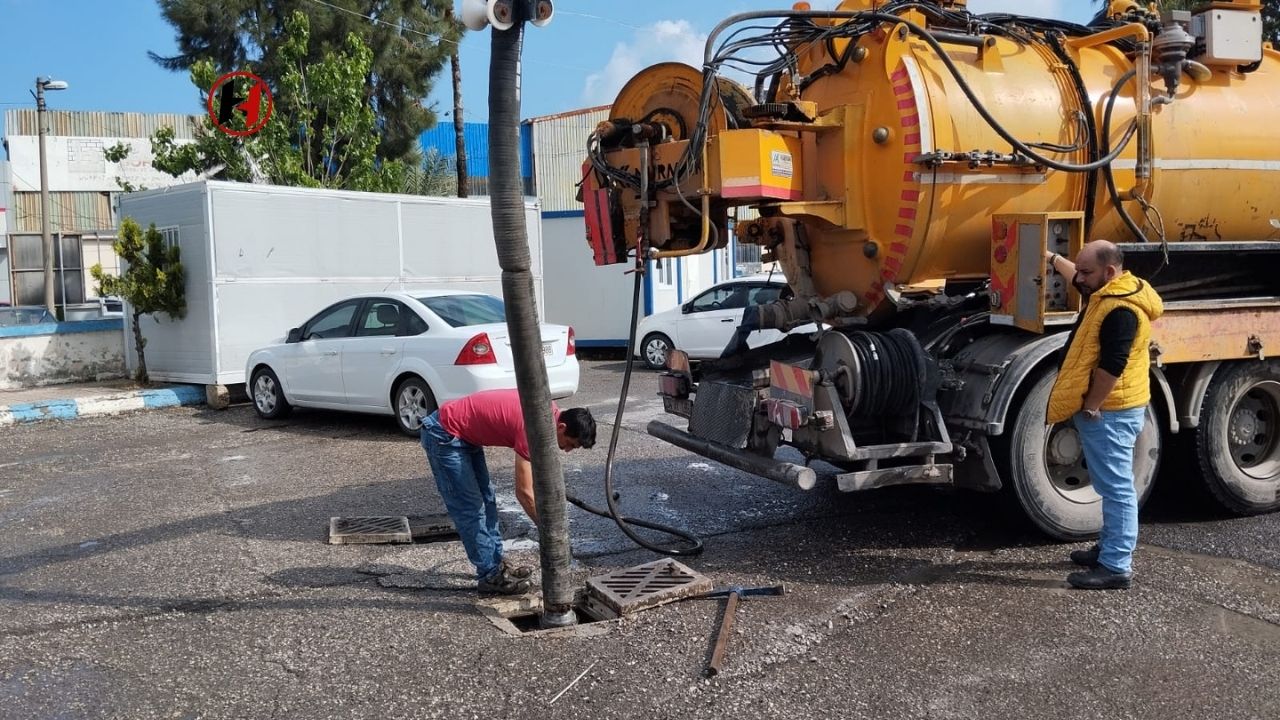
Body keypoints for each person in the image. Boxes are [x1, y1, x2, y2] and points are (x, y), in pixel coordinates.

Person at [1045, 240, 1164, 590]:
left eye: (1086, 272)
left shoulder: (1121, 311)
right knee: (1110, 484)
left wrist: (1092, 405)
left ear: (1109, 272)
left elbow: (1112, 367)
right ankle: (1110, 547)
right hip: (1114, 410)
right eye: (1078, 270)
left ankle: (1115, 565)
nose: (1079, 278)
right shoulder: (1109, 291)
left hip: (1110, 411)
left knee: (1116, 488)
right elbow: (1075, 276)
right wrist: (1053, 258)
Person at [419, 388, 596, 595]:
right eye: (570, 444)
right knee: (470, 510)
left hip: (464, 435)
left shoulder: (547, 413)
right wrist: (549, 531)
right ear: (562, 426)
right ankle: (489, 575)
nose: (566, 450)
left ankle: (497, 566)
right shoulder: (533, 428)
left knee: (488, 501)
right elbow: (524, 493)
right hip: (444, 433)